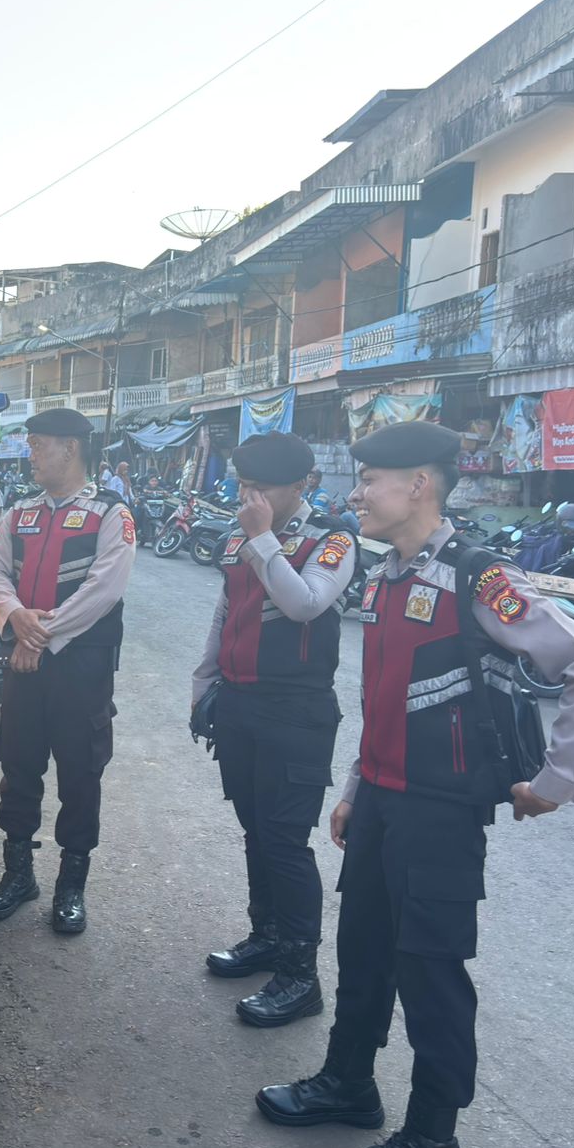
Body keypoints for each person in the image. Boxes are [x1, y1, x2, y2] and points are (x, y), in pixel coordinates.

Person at [256, 421, 574, 1148]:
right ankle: (348, 1084)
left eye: (370, 479)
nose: (354, 492)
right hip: (385, 805)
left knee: (431, 976)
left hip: (441, 817)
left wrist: (557, 782)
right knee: (361, 955)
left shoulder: (475, 575)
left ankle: (432, 1143)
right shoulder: (389, 573)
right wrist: (359, 786)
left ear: (418, 484)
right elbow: (388, 699)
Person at [191, 432, 356, 1028]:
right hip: (239, 706)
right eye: (243, 486)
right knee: (256, 831)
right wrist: (202, 683)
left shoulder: (332, 541)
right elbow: (224, 612)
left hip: (296, 714)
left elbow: (305, 604)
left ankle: (300, 974)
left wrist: (263, 539)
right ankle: (265, 936)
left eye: (261, 488)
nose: (249, 497)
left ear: (301, 485)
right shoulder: (241, 537)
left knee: (286, 843)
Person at [0, 408, 137, 934]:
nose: (31, 454)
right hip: (24, 661)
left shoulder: (110, 513)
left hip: (81, 668)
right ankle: (18, 876)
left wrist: (41, 638)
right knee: (18, 769)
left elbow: (104, 590)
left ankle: (71, 887)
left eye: (38, 444)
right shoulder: (19, 513)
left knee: (80, 775)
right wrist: (16, 618)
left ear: (70, 448)